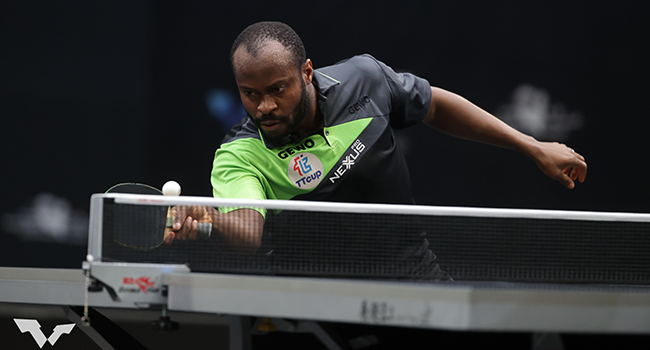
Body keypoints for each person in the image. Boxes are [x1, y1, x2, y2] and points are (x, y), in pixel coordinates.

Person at [165, 21, 587, 274]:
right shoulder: (240, 153)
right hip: (309, 296)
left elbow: (435, 104)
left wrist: (532, 146)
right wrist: (211, 220)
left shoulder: (364, 81)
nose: (265, 106)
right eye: (250, 94)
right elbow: (248, 232)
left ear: (306, 72)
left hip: (409, 272)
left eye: (277, 89)